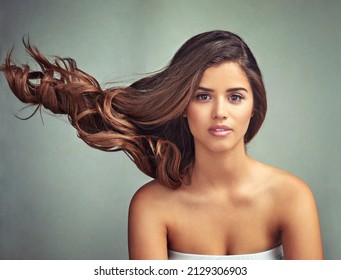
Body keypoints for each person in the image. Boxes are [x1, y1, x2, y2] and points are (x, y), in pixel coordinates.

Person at [1, 30, 323, 260]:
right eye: (202, 96)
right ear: (183, 106)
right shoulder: (151, 206)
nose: (220, 112)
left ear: (255, 106)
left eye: (235, 96)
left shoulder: (292, 197)